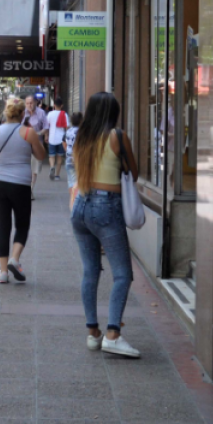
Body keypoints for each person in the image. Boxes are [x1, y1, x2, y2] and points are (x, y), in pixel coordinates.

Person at [71, 92, 141, 357]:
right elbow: (134, 172)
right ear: (113, 113)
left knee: (91, 271)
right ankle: (113, 334)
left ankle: (93, 333)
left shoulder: (81, 137)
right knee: (123, 274)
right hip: (106, 206)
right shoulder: (117, 136)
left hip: (80, 206)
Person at [0, 98, 47, 284]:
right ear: (23, 114)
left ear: (6, 113)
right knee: (22, 224)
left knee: (3, 225)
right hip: (20, 184)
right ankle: (15, 258)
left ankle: (3, 272)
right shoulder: (28, 132)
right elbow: (40, 155)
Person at [22, 95, 49, 196]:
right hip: (24, 144)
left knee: (34, 168)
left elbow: (46, 127)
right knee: (25, 168)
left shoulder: (41, 113)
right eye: (27, 103)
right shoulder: (22, 113)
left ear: (36, 103)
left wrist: (40, 133)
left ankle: (30, 189)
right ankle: (26, 188)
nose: (29, 105)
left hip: (37, 144)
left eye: (31, 103)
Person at [45, 97, 69, 181]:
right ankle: (57, 175)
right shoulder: (64, 114)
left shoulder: (50, 114)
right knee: (59, 157)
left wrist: (46, 136)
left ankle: (52, 167)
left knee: (51, 156)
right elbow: (67, 127)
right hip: (61, 139)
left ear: (54, 105)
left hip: (52, 138)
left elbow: (47, 126)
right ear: (62, 105)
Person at [64, 111, 83, 208]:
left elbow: (64, 142)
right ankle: (77, 202)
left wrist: (67, 151)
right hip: (79, 158)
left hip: (69, 158)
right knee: (79, 181)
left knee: (71, 181)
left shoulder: (68, 131)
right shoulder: (82, 132)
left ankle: (72, 201)